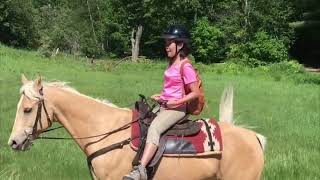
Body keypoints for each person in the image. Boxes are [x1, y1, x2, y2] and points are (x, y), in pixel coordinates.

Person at [123, 24, 200, 180]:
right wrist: (162, 97)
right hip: (165, 104)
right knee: (140, 121)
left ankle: (141, 170)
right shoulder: (172, 63)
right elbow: (173, 87)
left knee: (155, 128)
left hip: (177, 109)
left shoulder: (186, 66)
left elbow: (195, 93)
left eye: (169, 43)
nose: (166, 46)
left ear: (180, 44)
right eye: (165, 43)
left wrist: (175, 102)